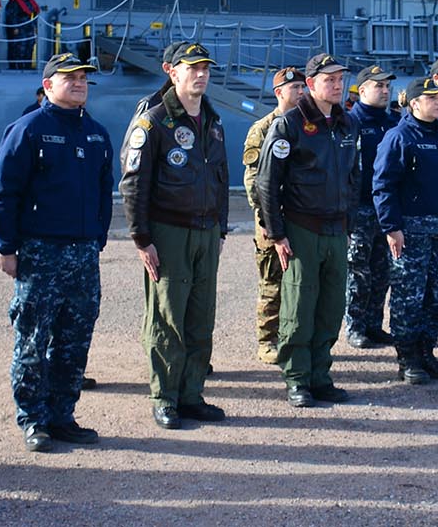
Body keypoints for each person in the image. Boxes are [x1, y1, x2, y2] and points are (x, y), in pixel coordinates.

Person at [0, 52, 113, 452]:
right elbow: (4, 192)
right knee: (33, 338)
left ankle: (62, 415)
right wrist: (5, 246)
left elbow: (103, 194)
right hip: (40, 252)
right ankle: (34, 418)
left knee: (74, 339)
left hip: (83, 254)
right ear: (47, 85)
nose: (79, 83)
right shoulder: (28, 130)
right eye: (69, 77)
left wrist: (97, 238)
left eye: (83, 78)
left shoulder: (95, 134)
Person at [120, 41, 229, 430]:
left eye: (205, 68)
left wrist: (222, 228)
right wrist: (141, 239)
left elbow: (221, 178)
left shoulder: (212, 122)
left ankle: (191, 394)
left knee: (201, 317)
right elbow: (133, 183)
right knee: (167, 318)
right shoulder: (153, 122)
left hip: (206, 231)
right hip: (168, 233)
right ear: (171, 71)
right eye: (192, 67)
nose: (201, 74)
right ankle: (164, 397)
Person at [254, 54, 359, 407]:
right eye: (329, 79)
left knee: (330, 307)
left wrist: (350, 224)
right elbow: (267, 183)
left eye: (340, 78)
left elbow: (353, 176)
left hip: (335, 229)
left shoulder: (347, 123)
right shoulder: (289, 125)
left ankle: (320, 375)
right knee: (299, 307)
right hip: (302, 228)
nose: (337, 84)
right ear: (311, 85)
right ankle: (297, 378)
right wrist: (277, 233)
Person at [374, 76, 438, 384]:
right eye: (430, 98)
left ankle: (427, 352)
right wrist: (392, 227)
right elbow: (383, 186)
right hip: (412, 231)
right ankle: (408, 357)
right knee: (408, 295)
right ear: (413, 104)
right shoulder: (400, 137)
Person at [243, 68, 307, 365]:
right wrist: (271, 221)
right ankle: (267, 340)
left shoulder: (308, 125)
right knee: (272, 282)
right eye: (295, 88)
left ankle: (292, 336)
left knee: (300, 283)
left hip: (302, 218)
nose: (301, 93)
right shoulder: (263, 129)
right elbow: (255, 182)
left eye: (303, 87)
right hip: (272, 221)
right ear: (279, 92)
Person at [345, 66, 397, 349]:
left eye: (387, 86)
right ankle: (356, 326)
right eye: (379, 86)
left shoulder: (393, 122)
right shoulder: (350, 122)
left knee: (383, 271)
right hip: (361, 208)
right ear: (362, 89)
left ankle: (375, 324)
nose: (385, 90)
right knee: (358, 272)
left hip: (386, 209)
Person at [2, 0, 41, 70]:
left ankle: (27, 66)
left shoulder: (30, 2)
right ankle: (16, 67)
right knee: (18, 48)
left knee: (29, 47)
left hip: (29, 29)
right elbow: (12, 16)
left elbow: (34, 14)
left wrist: (35, 27)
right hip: (19, 29)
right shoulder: (14, 3)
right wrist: (15, 27)